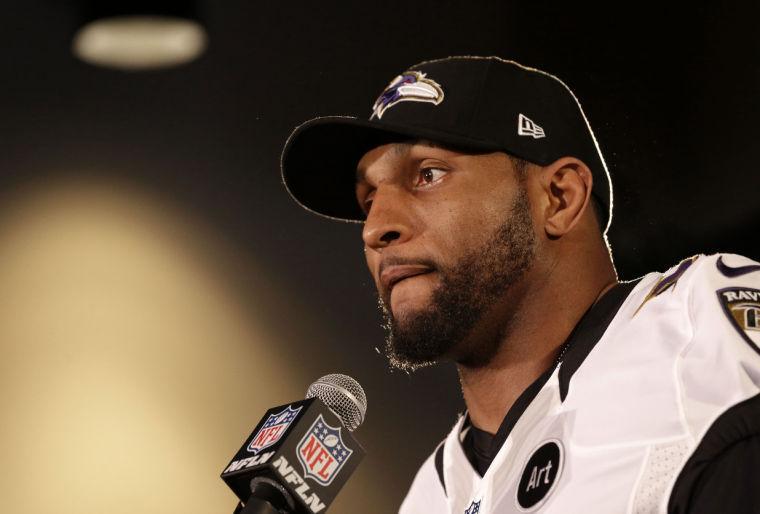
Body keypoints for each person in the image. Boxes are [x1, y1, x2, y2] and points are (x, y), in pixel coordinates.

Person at [280, 56, 760, 513]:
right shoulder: (430, 494)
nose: (374, 229)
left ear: (559, 198)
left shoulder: (695, 327)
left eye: (427, 175)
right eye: (368, 201)